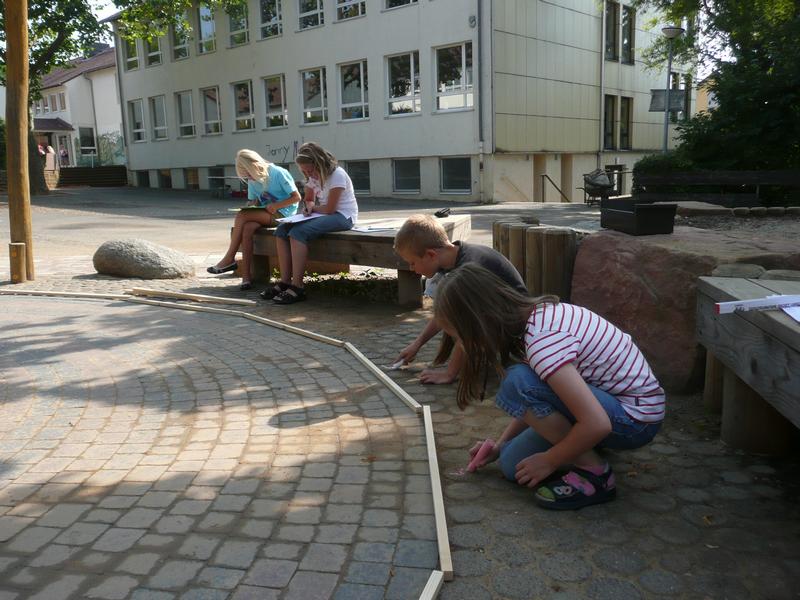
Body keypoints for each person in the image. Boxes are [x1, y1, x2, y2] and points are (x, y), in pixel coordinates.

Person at [435, 264, 665, 510]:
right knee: (513, 465)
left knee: (516, 381)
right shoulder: (534, 320)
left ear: (479, 322)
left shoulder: (542, 343)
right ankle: (583, 446)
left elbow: (597, 423)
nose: (462, 344)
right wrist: (500, 446)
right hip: (605, 405)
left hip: (634, 419)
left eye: (460, 336)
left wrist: (550, 460)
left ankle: (596, 474)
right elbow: (538, 402)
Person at [392, 214, 527, 384]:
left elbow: (468, 324)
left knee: (460, 319)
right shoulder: (449, 261)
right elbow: (444, 314)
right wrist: (417, 344)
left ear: (430, 254)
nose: (412, 269)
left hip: (516, 328)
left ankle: (465, 365)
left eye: (412, 262)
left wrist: (450, 373)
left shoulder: (471, 266)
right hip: (496, 317)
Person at [260, 142, 357, 305]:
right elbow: (309, 199)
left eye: (310, 170)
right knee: (282, 229)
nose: (308, 174)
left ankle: (298, 287)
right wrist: (309, 206)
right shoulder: (312, 177)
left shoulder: (337, 175)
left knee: (298, 232)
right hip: (324, 214)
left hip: (343, 216)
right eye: (304, 171)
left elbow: (330, 209)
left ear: (319, 163)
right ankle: (285, 282)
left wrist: (312, 209)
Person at [206, 149, 300, 291]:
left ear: (255, 166)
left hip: (284, 214)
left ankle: (229, 258)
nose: (249, 178)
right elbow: (253, 201)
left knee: (242, 216)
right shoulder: (252, 180)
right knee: (247, 227)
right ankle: (246, 278)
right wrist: (252, 205)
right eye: (246, 176)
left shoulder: (278, 173)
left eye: (249, 174)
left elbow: (297, 197)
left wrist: (276, 205)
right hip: (265, 213)